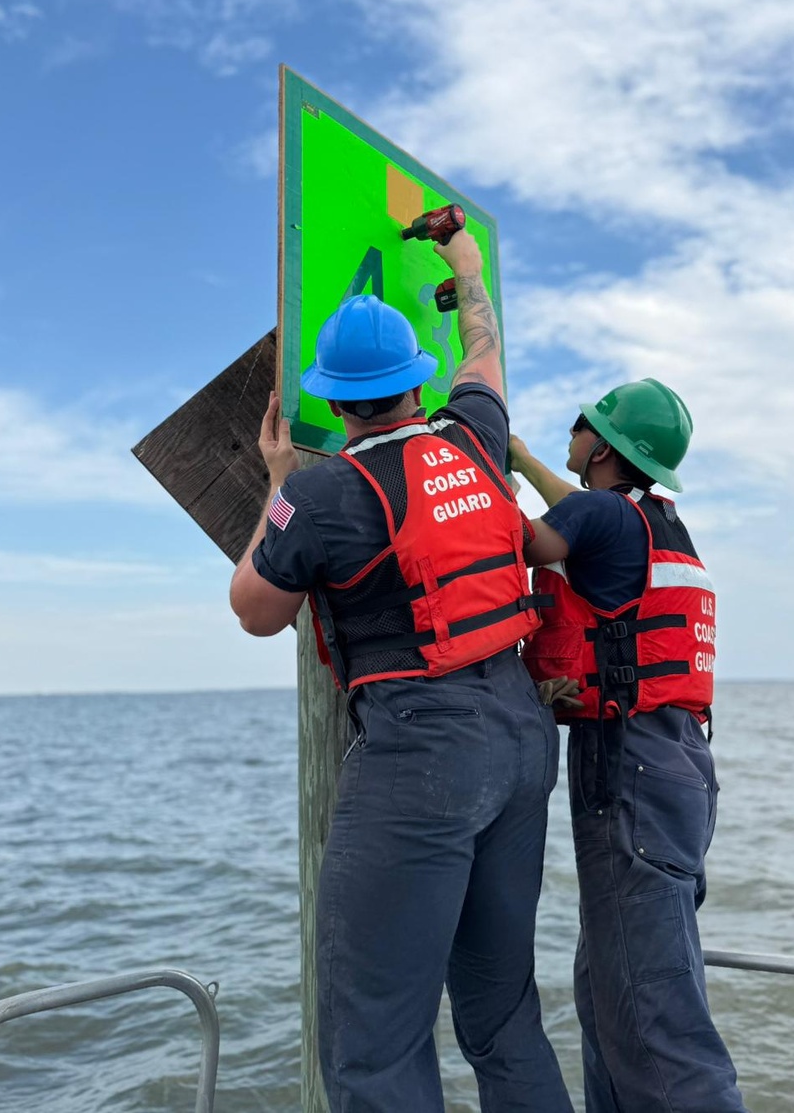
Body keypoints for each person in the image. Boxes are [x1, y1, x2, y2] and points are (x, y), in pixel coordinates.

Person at [230, 228, 573, 1113]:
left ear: (336, 405)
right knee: (502, 1016)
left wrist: (276, 482)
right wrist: (462, 262)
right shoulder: (474, 436)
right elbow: (485, 348)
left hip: (422, 757)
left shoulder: (322, 492)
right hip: (523, 736)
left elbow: (255, 610)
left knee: (373, 1046)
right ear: (418, 384)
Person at [509, 380, 748, 1113]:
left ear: (605, 448)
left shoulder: (597, 517)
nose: (571, 434)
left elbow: (523, 537)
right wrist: (519, 457)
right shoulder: (655, 522)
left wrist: (457, 467)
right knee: (609, 992)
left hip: (629, 767)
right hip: (679, 764)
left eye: (583, 424)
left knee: (654, 1019)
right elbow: (575, 510)